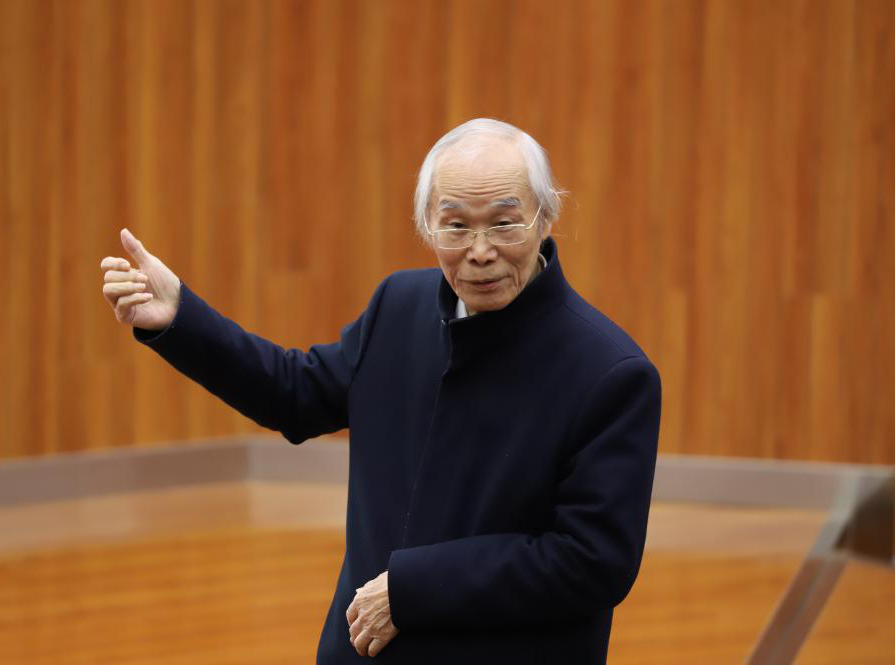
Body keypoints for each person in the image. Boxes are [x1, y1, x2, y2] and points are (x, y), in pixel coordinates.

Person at [100, 118, 661, 664]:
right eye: (455, 226)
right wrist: (180, 318)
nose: (480, 250)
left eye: (504, 223)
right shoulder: (399, 305)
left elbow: (592, 561)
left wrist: (412, 588)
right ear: (426, 226)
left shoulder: (610, 372)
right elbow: (294, 394)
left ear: (547, 217)